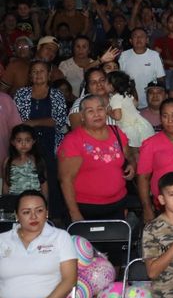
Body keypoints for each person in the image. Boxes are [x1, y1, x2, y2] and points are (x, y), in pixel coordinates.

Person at [0, 190, 77, 298]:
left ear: (46, 212)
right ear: (16, 216)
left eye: (39, 210)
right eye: (26, 212)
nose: (33, 216)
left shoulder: (60, 237)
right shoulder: (2, 240)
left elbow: (69, 280)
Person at [58, 95, 135, 221]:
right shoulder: (73, 140)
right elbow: (65, 180)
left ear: (106, 111)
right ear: (82, 116)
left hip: (118, 203)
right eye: (90, 111)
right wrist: (74, 213)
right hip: (85, 207)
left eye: (100, 109)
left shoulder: (116, 132)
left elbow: (129, 155)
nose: (96, 114)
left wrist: (131, 165)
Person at [14, 60, 68, 218]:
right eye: (34, 71)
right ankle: (26, 214)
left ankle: (52, 215)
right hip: (26, 143)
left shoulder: (56, 94)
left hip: (50, 142)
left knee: (51, 178)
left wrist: (33, 123)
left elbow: (59, 120)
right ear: (30, 75)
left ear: (49, 74)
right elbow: (17, 120)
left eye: (42, 71)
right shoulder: (21, 93)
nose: (38, 74)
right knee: (28, 178)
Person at [107, 71, 155, 150]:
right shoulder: (126, 94)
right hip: (141, 125)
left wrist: (109, 112)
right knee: (145, 149)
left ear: (111, 86)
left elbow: (118, 116)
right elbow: (136, 104)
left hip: (129, 128)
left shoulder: (115, 98)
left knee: (133, 151)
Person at [119, 27, 166, 108]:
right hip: (131, 101)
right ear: (131, 41)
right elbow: (121, 79)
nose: (139, 38)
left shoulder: (154, 55)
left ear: (147, 40)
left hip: (151, 101)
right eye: (135, 36)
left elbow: (160, 78)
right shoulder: (124, 55)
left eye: (142, 36)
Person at [2, 124, 48, 198]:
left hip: (34, 201)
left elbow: (44, 184)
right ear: (13, 142)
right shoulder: (8, 161)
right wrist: (5, 202)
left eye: (27, 140)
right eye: (19, 140)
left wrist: (45, 202)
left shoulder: (38, 160)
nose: (23, 144)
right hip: (14, 202)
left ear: (33, 141)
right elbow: (6, 185)